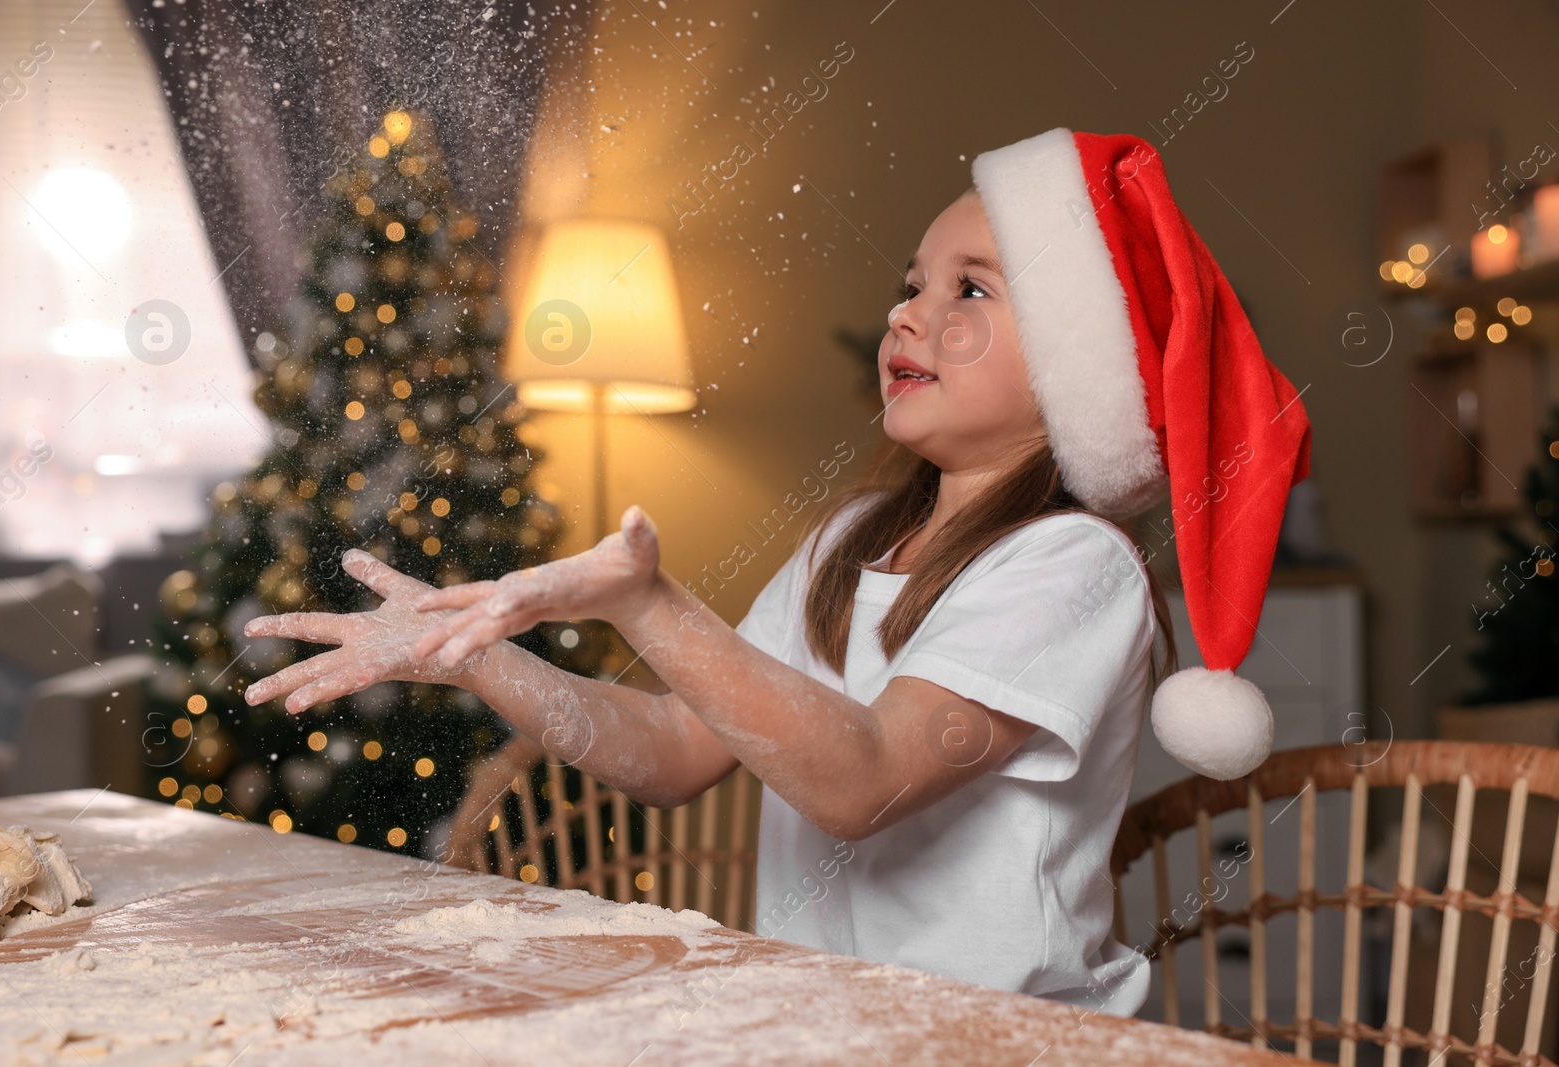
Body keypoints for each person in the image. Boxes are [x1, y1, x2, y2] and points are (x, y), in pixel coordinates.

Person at [242, 126, 1312, 1011]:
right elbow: (669, 752)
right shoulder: (847, 540)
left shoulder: (1073, 568)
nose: (908, 311)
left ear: (1080, 369)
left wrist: (649, 601)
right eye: (911, 283)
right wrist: (473, 656)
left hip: (1003, 1038)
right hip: (825, 1022)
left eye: (971, 291)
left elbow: (864, 778)